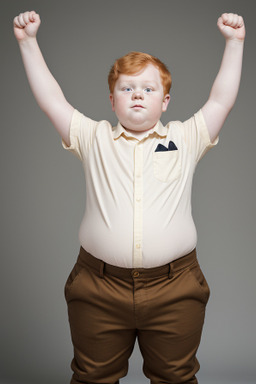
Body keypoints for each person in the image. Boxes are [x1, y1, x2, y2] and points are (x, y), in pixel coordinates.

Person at [13, 10, 245, 384]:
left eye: (149, 89)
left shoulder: (185, 138)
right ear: (112, 100)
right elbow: (51, 100)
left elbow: (221, 101)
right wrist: (27, 43)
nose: (138, 94)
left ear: (165, 101)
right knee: (92, 379)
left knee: (176, 379)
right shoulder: (93, 137)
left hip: (176, 286)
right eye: (127, 88)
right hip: (97, 286)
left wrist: (235, 44)